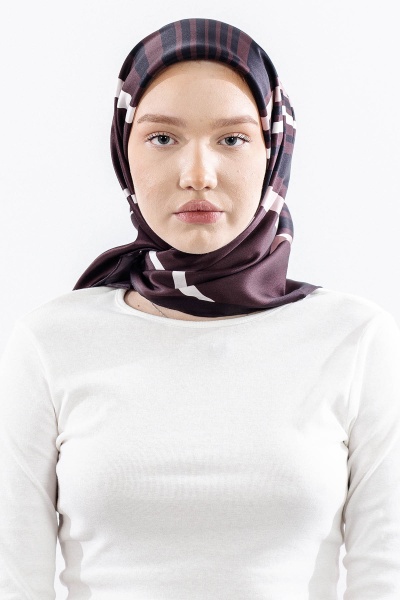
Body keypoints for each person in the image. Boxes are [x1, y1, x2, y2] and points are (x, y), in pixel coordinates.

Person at [1, 17, 399, 599]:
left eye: (232, 139)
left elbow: (385, 577)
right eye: (163, 138)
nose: (197, 175)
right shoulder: (51, 342)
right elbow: (13, 579)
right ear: (124, 151)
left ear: (272, 150)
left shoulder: (354, 339)